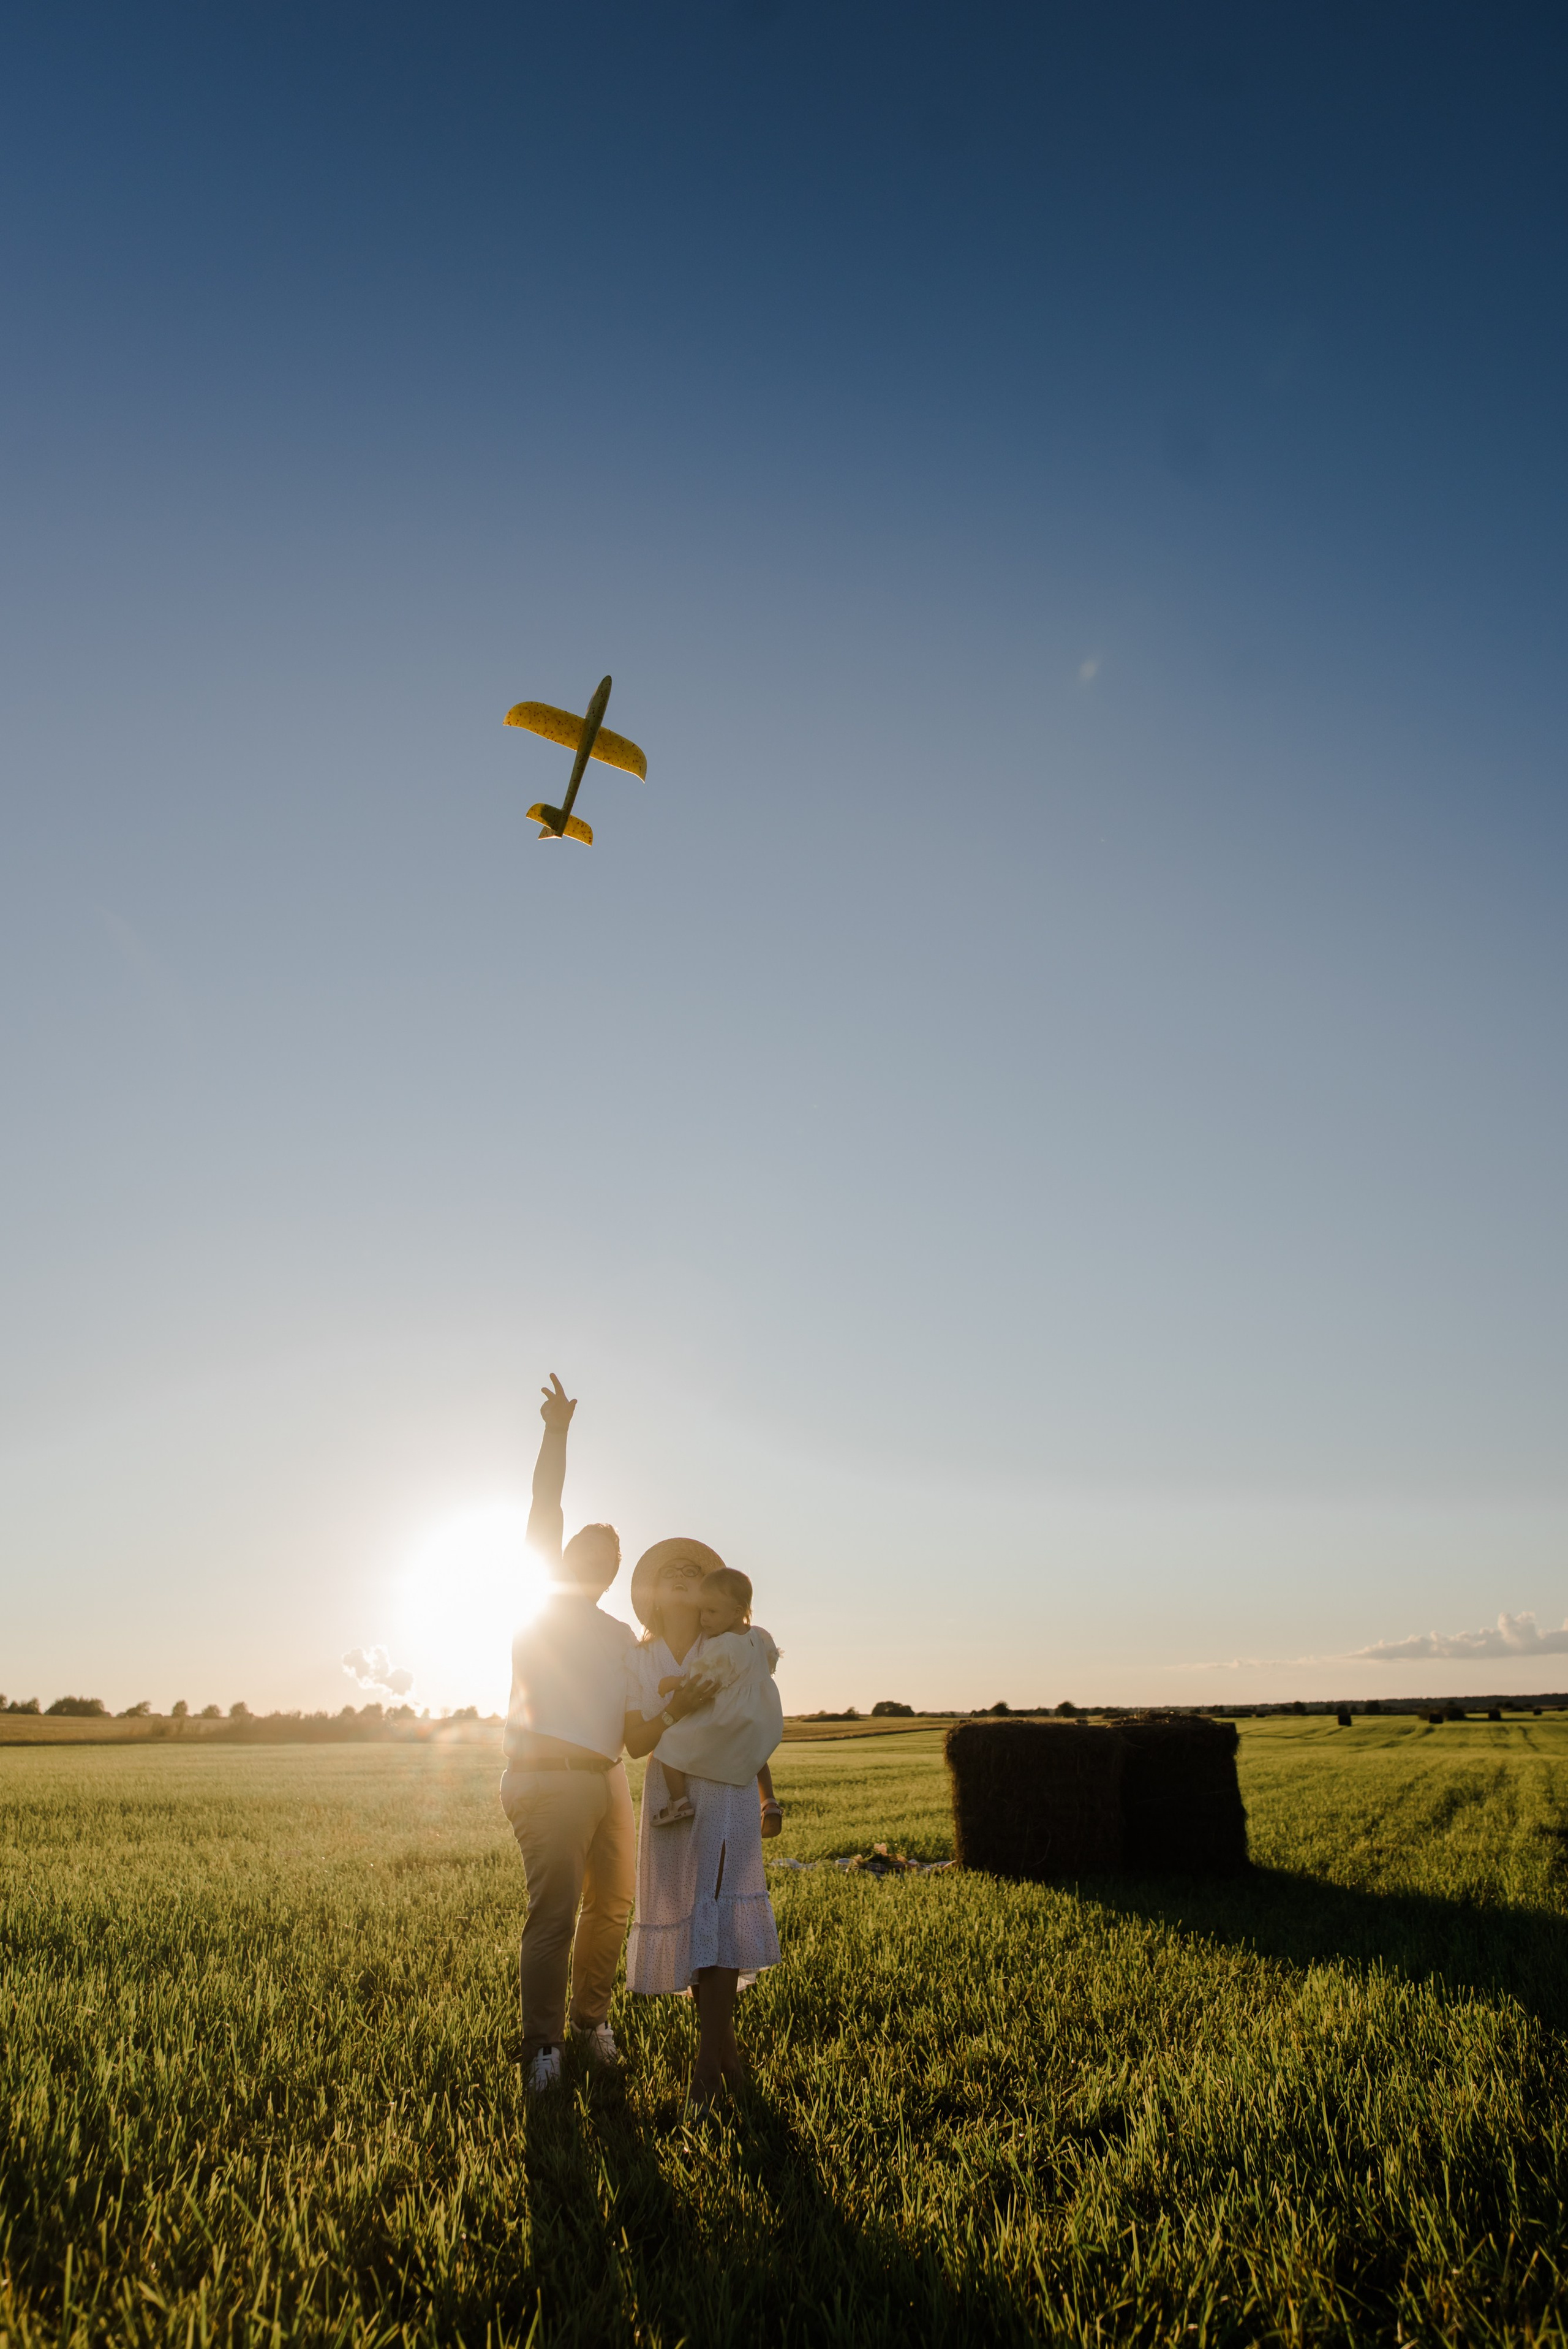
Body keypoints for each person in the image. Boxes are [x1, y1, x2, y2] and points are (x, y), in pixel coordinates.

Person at [499, 1374, 715, 2095]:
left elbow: (636, 1739)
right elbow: (544, 1505)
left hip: (604, 1779)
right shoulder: (536, 1601)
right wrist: (556, 1432)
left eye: (611, 1561)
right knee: (554, 1916)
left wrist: (683, 1704)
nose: (600, 1563)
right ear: (565, 1557)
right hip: (544, 1776)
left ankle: (591, 2026)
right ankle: (542, 2049)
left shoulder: (624, 1637)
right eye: (589, 1551)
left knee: (614, 1905)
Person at [620, 1541, 783, 2109]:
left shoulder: (733, 1645)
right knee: (696, 1920)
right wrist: (675, 1708)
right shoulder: (640, 1661)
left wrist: (769, 1797)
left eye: (697, 1573)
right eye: (674, 1575)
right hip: (671, 1796)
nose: (687, 1580)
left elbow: (752, 1721)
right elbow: (636, 1743)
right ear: (656, 1595)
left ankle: (705, 2075)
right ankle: (728, 2057)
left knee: (722, 1913)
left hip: (730, 1790)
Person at [649, 1567, 784, 1827]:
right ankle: (769, 1803)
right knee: (755, 1753)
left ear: (737, 1611)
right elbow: (771, 1662)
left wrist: (672, 1682)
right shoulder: (760, 1635)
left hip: (729, 1716)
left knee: (667, 1745)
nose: (703, 1619)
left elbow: (699, 1680)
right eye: (702, 1611)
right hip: (761, 1714)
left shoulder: (722, 1646)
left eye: (712, 1612)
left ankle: (678, 1802)